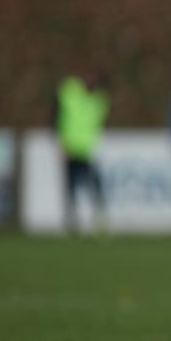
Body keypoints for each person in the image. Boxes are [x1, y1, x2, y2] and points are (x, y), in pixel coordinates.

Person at [54, 70, 110, 233]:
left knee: (93, 185)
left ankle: (99, 217)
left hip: (88, 150)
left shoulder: (99, 101)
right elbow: (58, 116)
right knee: (71, 186)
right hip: (70, 148)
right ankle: (72, 218)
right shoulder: (70, 93)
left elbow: (98, 125)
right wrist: (60, 141)